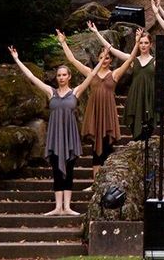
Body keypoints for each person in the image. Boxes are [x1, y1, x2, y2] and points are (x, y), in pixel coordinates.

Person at [7, 45, 103, 216]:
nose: (61, 78)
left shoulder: (76, 92)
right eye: (59, 75)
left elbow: (92, 75)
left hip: (70, 137)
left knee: (70, 171)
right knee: (57, 171)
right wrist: (17, 59)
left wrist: (102, 60)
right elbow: (31, 77)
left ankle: (67, 207)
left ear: (69, 77)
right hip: (55, 137)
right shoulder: (50, 93)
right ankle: (58, 207)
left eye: (64, 75)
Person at [56, 28, 142, 179]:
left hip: (107, 113)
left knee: (108, 145)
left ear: (110, 60)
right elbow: (72, 60)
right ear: (98, 58)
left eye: (107, 58)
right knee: (95, 148)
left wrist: (135, 43)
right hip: (95, 112)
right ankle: (95, 181)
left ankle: (107, 181)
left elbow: (129, 60)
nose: (104, 60)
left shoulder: (114, 74)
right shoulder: (91, 73)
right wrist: (63, 43)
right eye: (102, 57)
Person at [87, 21, 164, 140]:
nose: (143, 45)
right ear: (138, 44)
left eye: (146, 43)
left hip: (149, 96)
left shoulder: (155, 60)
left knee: (148, 128)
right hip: (135, 96)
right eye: (141, 43)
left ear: (150, 44)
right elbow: (111, 49)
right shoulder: (132, 60)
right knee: (135, 128)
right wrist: (96, 32)